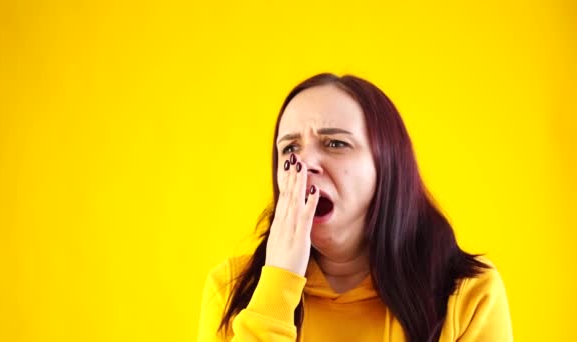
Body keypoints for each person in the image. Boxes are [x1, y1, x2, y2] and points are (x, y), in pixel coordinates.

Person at [197, 73, 512, 341]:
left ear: (387, 165)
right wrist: (277, 286)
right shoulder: (229, 289)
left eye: (335, 143)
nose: (304, 163)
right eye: (290, 148)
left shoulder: (469, 294)